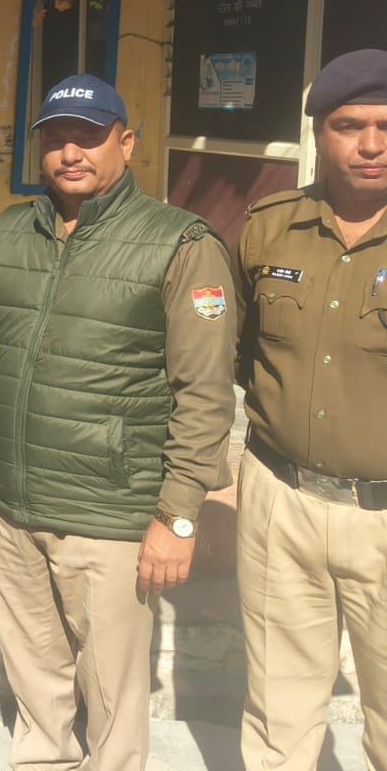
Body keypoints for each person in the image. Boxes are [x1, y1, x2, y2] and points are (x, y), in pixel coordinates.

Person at [0, 73, 238, 771]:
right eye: (55, 138)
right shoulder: (12, 230)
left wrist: (178, 516)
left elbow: (204, 395)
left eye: (88, 137)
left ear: (126, 143)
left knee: (110, 700)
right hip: (18, 506)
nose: (70, 153)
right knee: (35, 683)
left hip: (108, 514)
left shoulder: (180, 242)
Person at [235, 47, 387, 770]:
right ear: (319, 133)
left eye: (386, 126)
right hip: (280, 501)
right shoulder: (267, 228)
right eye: (349, 126)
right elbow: (236, 352)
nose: (371, 144)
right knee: (279, 710)